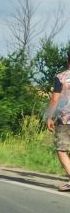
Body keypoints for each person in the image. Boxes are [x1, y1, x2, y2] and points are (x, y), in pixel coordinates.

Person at [47, 54, 70, 191]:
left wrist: (49, 117)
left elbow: (55, 99)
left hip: (65, 119)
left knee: (61, 150)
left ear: (68, 61)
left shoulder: (61, 77)